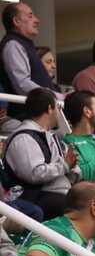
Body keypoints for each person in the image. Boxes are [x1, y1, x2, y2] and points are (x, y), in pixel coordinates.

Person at [3, 88, 79, 219]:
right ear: (50, 108)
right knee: (77, 208)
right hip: (36, 197)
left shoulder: (52, 137)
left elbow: (70, 166)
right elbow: (34, 173)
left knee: (91, 197)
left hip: (60, 192)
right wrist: (65, 166)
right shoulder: (23, 138)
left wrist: (73, 169)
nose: (59, 113)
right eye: (58, 107)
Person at [0, 3, 61, 122]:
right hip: (24, 119)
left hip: (35, 118)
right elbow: (22, 84)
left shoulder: (22, 44)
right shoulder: (13, 45)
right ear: (17, 21)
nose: (37, 20)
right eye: (30, 16)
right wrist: (57, 96)